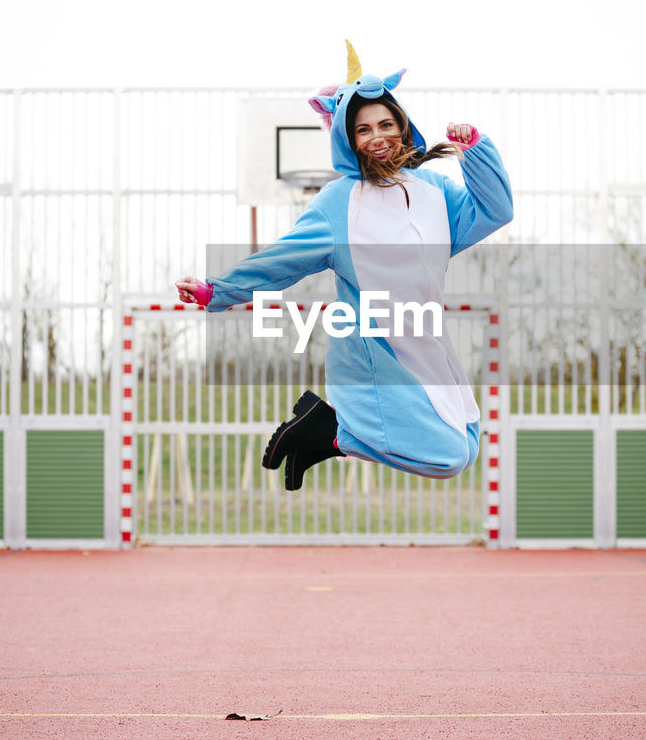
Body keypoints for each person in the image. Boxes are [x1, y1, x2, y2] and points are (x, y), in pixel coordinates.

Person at [177, 42, 513, 491]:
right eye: (362, 129)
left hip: (426, 338)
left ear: (403, 126)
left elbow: (494, 211)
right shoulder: (340, 203)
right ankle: (331, 434)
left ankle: (324, 434)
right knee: (447, 457)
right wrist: (216, 290)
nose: (377, 136)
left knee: (467, 442)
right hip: (373, 349)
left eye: (386, 124)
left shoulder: (433, 190)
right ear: (347, 139)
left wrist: (475, 150)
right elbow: (283, 259)